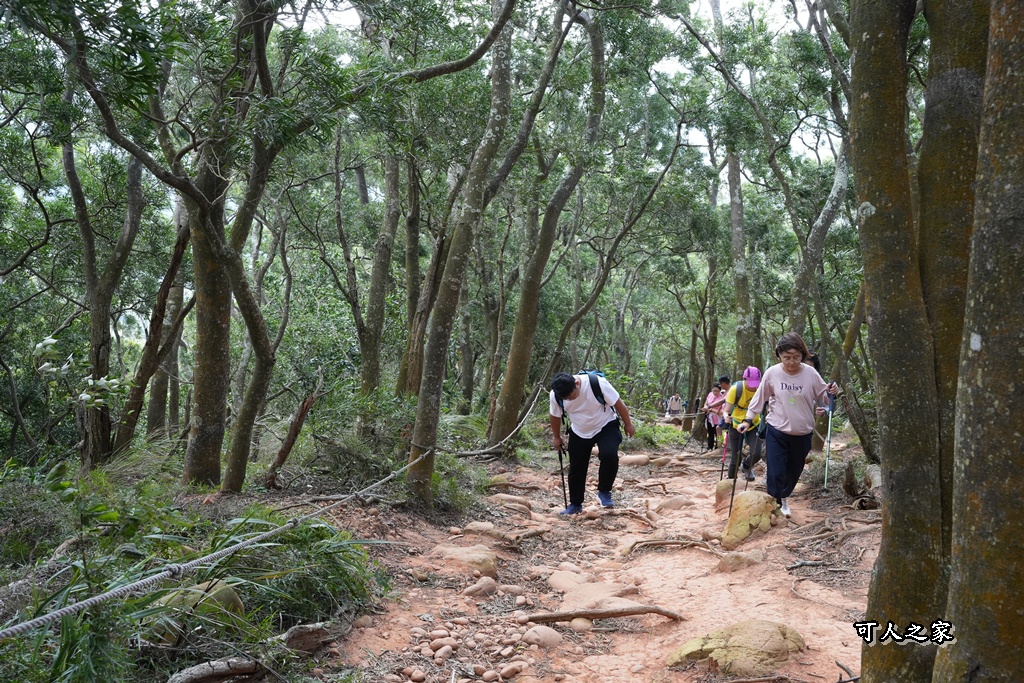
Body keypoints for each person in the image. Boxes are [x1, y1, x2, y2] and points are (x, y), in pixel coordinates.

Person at [737, 332, 838, 518]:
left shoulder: (811, 374)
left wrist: (833, 392)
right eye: (787, 358)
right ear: (779, 356)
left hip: (803, 433)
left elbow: (825, 398)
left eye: (796, 357)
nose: (791, 362)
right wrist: (747, 420)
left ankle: (783, 497)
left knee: (793, 471)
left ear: (803, 355)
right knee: (775, 471)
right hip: (777, 430)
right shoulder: (772, 373)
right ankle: (773, 506)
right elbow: (760, 399)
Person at [550, 372, 636, 515]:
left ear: (577, 384)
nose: (569, 399)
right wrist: (556, 437)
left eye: (571, 395)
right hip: (579, 430)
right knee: (577, 467)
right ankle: (575, 504)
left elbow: (618, 403)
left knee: (609, 455)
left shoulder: (597, 383)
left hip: (605, 424)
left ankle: (604, 492)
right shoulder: (556, 395)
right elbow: (555, 416)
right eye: (566, 398)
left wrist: (628, 424)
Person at [723, 367, 764, 480]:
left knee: (757, 453)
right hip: (736, 424)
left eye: (756, 382)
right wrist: (726, 417)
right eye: (750, 382)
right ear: (744, 379)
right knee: (736, 457)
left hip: (753, 424)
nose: (753, 385)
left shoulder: (760, 389)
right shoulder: (736, 389)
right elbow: (726, 411)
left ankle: (746, 466)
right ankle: (731, 481)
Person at [702, 385, 722, 451]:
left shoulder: (722, 398)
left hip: (717, 418)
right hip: (710, 417)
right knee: (710, 432)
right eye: (714, 391)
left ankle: (717, 447)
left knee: (717, 433)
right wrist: (705, 408)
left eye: (717, 391)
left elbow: (721, 411)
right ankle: (709, 446)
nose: (715, 392)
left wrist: (711, 410)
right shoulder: (710, 394)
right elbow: (706, 403)